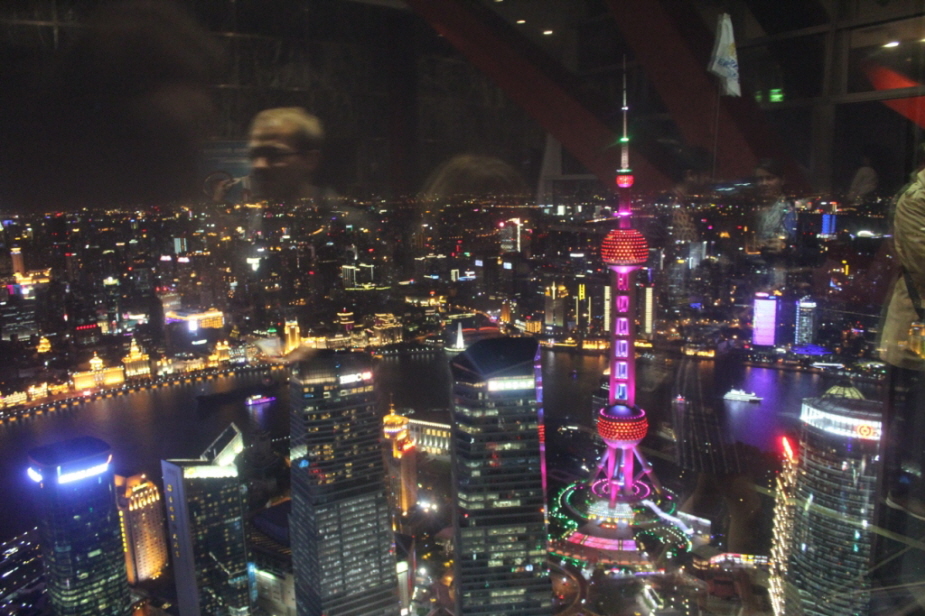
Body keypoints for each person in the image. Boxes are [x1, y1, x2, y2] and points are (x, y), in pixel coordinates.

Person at [246, 107, 329, 204]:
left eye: (273, 154)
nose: (259, 165)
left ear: (310, 160)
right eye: (254, 155)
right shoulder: (251, 214)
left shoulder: (340, 217)